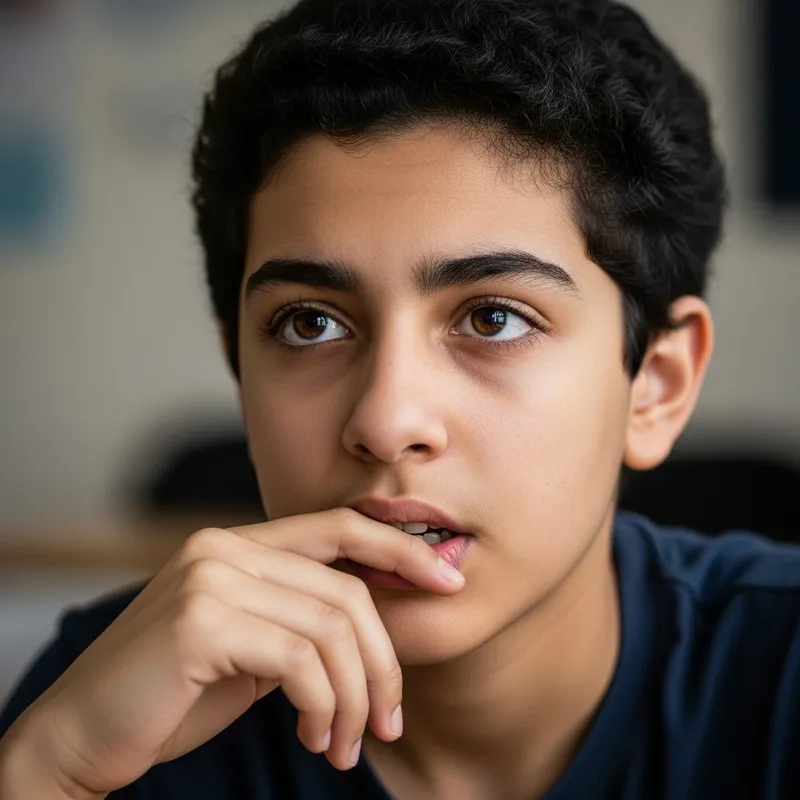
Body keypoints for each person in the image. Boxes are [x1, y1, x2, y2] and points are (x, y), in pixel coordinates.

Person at [1, 0, 798, 797]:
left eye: (493, 318)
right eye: (309, 323)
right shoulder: (104, 705)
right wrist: (48, 772)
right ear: (239, 371)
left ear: (657, 386)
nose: (385, 421)